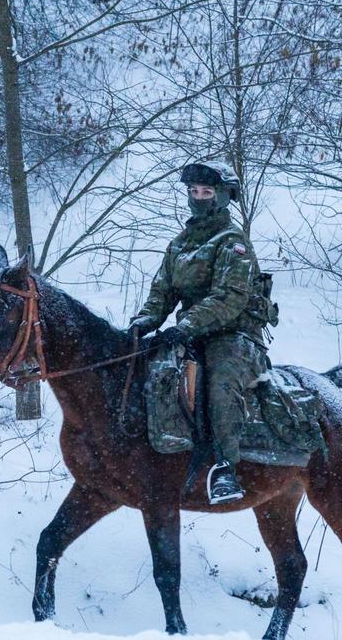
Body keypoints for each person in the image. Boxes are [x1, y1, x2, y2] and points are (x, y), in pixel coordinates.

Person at [128, 160, 273, 505]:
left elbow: (230, 297)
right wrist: (144, 321)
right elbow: (162, 291)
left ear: (223, 196)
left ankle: (225, 466)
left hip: (234, 334)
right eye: (194, 191)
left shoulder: (234, 242)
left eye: (206, 192)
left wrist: (186, 325)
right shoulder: (180, 244)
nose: (198, 197)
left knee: (220, 382)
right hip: (190, 333)